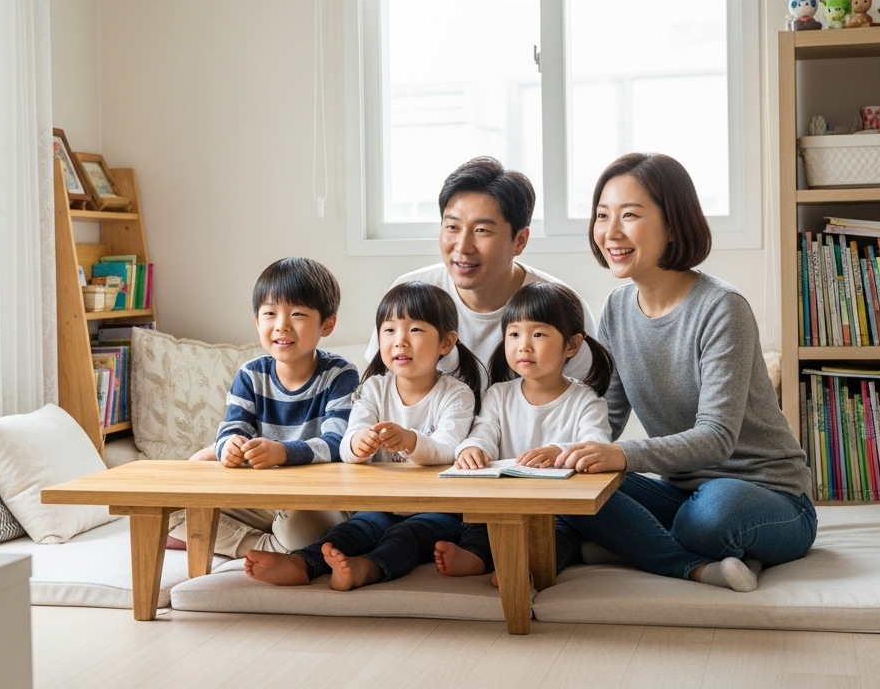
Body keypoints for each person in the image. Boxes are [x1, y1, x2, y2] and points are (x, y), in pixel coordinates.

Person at [558, 153, 815, 593]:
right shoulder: (617, 308)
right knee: (569, 491)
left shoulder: (721, 308)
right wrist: (565, 452)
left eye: (629, 215)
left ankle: (639, 545)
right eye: (602, 215)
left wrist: (621, 455)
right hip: (681, 494)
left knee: (709, 519)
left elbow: (717, 436)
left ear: (674, 225)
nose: (611, 232)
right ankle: (686, 556)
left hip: (769, 497)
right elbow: (605, 416)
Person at [243, 282, 481, 590]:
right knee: (352, 531)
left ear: (446, 342)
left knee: (405, 535)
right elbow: (347, 444)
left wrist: (410, 441)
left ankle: (367, 569)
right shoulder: (373, 389)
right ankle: (302, 563)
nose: (400, 341)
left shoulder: (456, 394)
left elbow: (449, 449)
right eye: (389, 330)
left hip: (438, 509)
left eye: (415, 330)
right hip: (380, 504)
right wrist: (359, 444)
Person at [167, 257, 357, 557]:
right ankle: (270, 548)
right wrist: (229, 446)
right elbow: (233, 428)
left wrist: (282, 452)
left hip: (312, 500)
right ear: (258, 321)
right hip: (261, 496)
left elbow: (338, 443)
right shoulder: (251, 374)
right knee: (179, 493)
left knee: (304, 529)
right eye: (270, 313)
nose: (282, 325)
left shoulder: (340, 375)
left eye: (297, 314)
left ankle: (251, 544)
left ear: (327, 324)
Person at [433, 281, 614, 578]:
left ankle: (523, 570)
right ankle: (475, 559)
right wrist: (473, 448)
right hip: (504, 504)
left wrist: (558, 452)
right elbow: (484, 431)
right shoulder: (499, 395)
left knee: (557, 537)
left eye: (538, 334)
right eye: (514, 334)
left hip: (558, 512)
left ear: (572, 345)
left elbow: (596, 444)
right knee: (479, 525)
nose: (524, 345)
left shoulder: (586, 400)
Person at [367, 156, 596, 388]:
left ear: (520, 240)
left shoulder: (562, 306)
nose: (463, 247)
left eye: (482, 230)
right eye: (452, 227)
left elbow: (586, 398)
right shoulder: (408, 294)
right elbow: (380, 390)